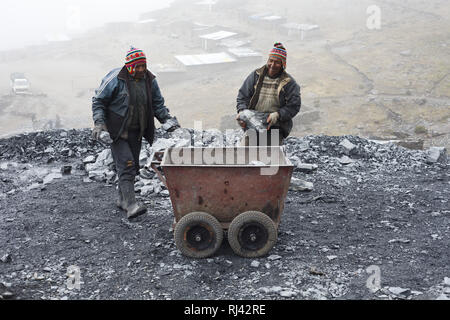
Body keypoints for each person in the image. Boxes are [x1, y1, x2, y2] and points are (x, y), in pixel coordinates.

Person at [91, 47, 179, 219]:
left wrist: (168, 122)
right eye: (136, 67)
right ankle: (131, 205)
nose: (140, 70)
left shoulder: (150, 80)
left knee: (132, 167)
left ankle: (122, 199)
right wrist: (99, 124)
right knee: (127, 164)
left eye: (143, 66)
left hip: (136, 131)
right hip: (116, 132)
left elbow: (157, 104)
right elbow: (99, 101)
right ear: (129, 66)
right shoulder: (115, 79)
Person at [236, 42, 301, 146]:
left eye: (277, 62)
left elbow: (294, 105)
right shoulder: (255, 76)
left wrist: (278, 115)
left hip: (276, 126)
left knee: (271, 157)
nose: (272, 65)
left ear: (283, 64)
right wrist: (242, 112)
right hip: (253, 122)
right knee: (245, 155)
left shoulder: (288, 82)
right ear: (267, 60)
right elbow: (242, 96)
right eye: (271, 61)